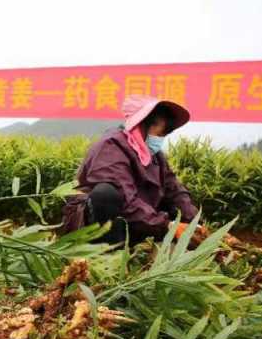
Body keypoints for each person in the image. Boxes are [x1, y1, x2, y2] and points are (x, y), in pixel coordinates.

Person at [62, 95, 205, 245]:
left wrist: (195, 224)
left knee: (169, 201)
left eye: (164, 135)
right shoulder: (111, 147)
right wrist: (167, 226)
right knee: (105, 194)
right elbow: (125, 200)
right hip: (98, 222)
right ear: (142, 126)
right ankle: (109, 253)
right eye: (159, 134)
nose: (160, 139)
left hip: (138, 219)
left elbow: (175, 190)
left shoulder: (155, 156)